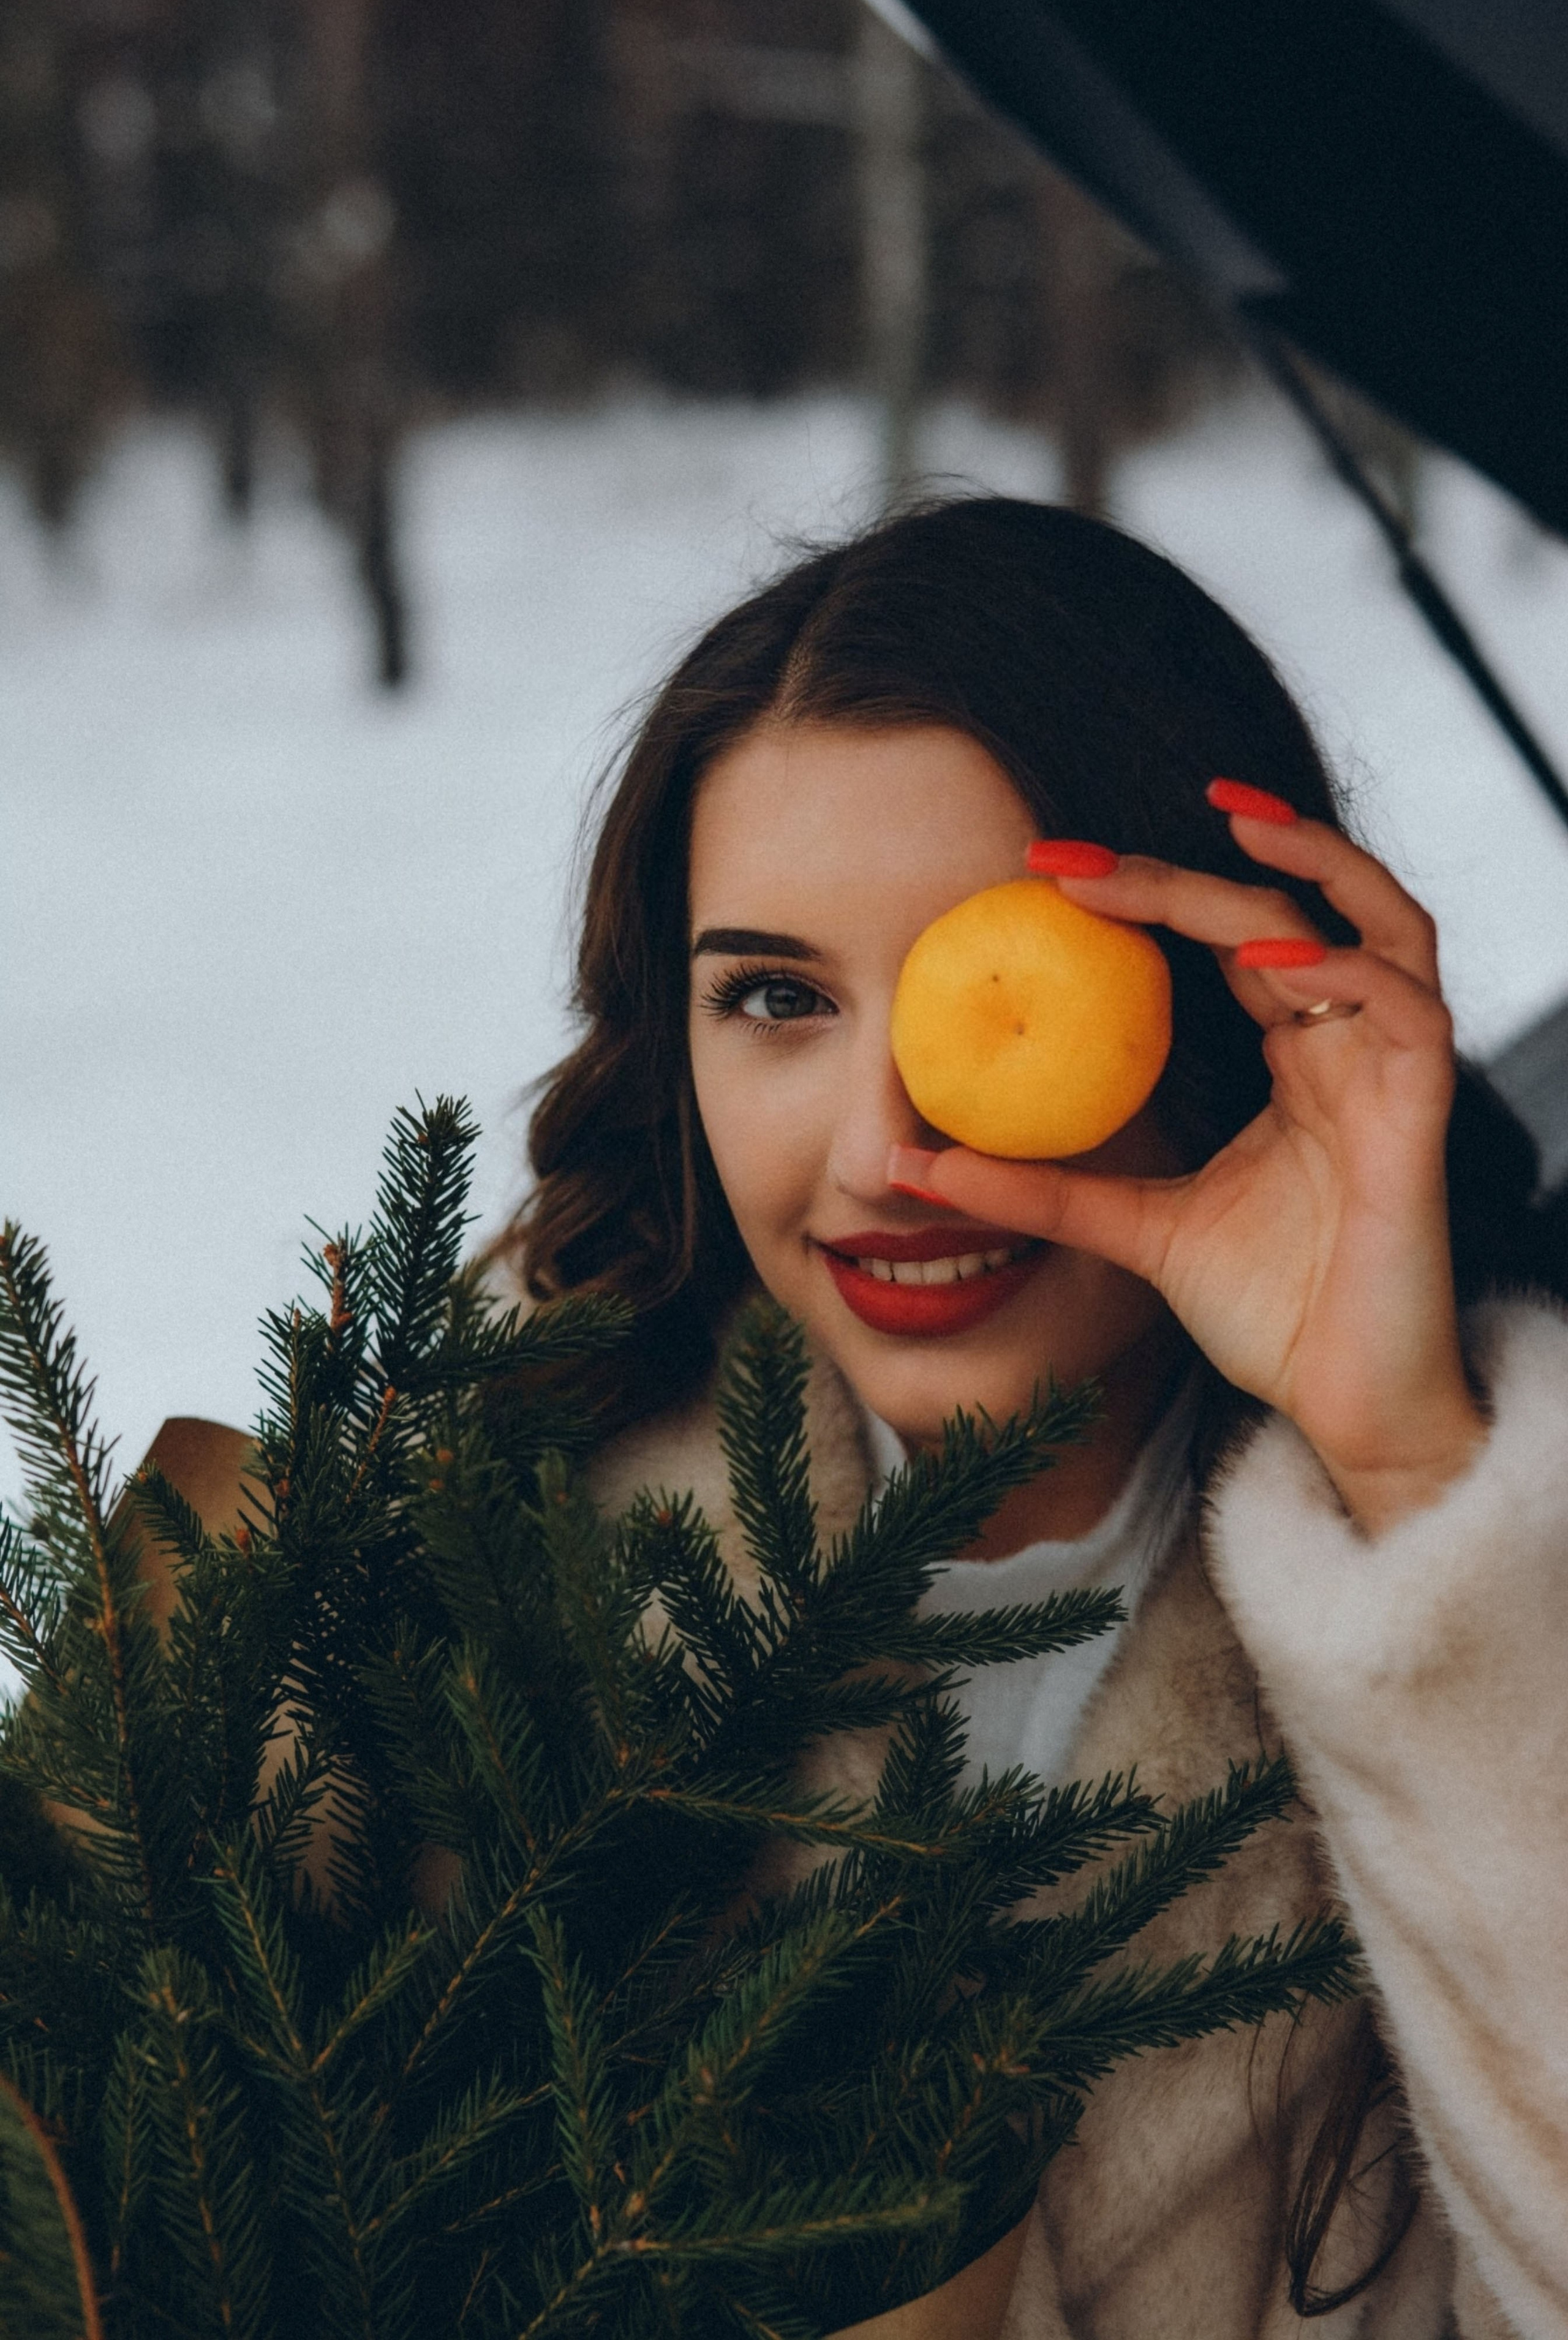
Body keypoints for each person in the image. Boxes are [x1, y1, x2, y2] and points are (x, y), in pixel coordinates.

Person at [500, 497, 1568, 2338]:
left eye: (991, 988)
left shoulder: (1489, 1590)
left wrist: (1412, 1491)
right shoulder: (469, 1561)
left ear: (1234, 999)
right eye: (774, 997)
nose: (881, 1155)